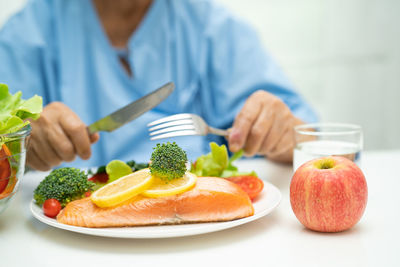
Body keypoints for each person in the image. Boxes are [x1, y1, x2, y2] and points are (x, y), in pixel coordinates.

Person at [0, 0, 317, 171]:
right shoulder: (27, 34)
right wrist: (18, 144)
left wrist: (284, 135)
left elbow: (321, 146)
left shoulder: (212, 27)